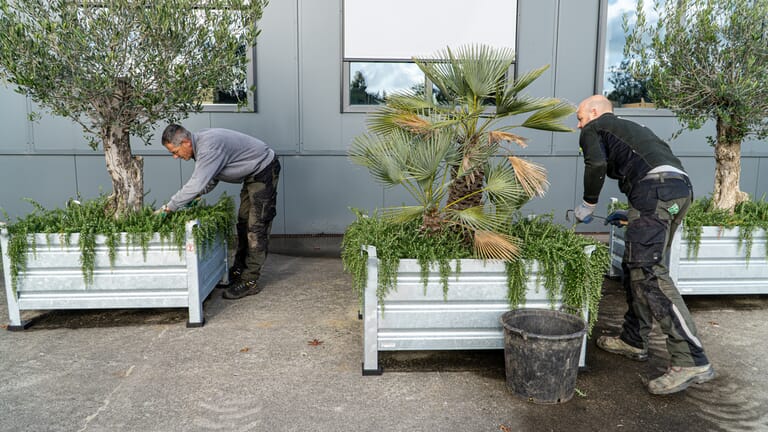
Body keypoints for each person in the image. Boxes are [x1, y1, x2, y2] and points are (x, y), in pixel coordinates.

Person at [573, 95, 715, 395]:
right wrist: (634, 213)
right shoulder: (629, 128)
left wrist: (588, 203)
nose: (578, 125)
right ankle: (634, 339)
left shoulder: (596, 128)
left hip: (655, 192)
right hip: (673, 189)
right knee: (635, 265)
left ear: (595, 112)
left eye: (580, 117)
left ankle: (691, 359)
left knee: (648, 271)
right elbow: (651, 165)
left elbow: (596, 163)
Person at [156, 124, 280, 300]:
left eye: (175, 151)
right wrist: (195, 196)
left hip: (263, 170)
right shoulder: (201, 147)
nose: (175, 157)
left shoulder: (208, 147)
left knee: (257, 226)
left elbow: (197, 183)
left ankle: (250, 280)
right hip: (251, 174)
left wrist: (169, 208)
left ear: (185, 143)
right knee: (244, 221)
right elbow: (211, 179)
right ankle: (239, 269)